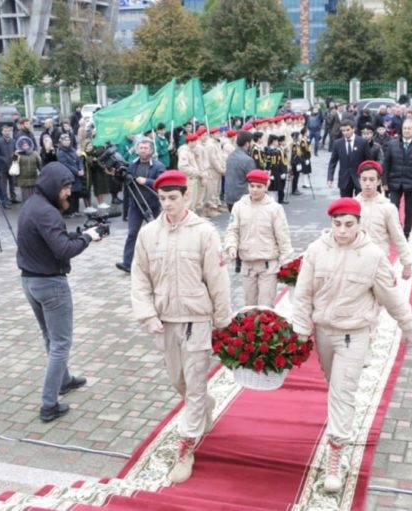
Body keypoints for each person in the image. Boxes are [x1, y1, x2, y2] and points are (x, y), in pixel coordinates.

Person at [291, 197, 412, 493]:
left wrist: (407, 323)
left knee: (342, 392)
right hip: (324, 332)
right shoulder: (316, 250)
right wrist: (300, 329)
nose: (342, 231)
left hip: (354, 334)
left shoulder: (373, 256)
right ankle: (340, 434)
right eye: (337, 224)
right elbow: (303, 293)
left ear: (359, 224)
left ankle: (336, 454)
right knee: (333, 384)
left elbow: (390, 295)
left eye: (349, 225)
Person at [131, 170, 232, 484]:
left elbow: (218, 280)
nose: (166, 204)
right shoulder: (149, 234)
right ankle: (204, 406)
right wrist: (147, 315)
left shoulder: (204, 233)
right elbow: (139, 278)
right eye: (162, 198)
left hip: (196, 321)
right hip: (165, 322)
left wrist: (223, 321)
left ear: (186, 196)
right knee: (179, 381)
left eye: (172, 198)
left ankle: (185, 449)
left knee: (195, 385)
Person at [17, 162, 102, 422]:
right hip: (50, 285)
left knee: (50, 337)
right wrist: (88, 238)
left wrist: (79, 234)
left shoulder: (32, 204)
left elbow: (52, 241)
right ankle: (48, 404)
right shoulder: (48, 212)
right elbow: (64, 250)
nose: (68, 192)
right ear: (53, 185)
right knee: (61, 344)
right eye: (65, 187)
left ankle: (64, 380)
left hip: (30, 281)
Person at [225, 169, 294, 307]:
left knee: (265, 307)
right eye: (252, 186)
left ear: (266, 187)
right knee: (249, 306)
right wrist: (231, 246)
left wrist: (287, 262)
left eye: (259, 186)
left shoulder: (275, 209)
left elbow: (283, 237)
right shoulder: (239, 207)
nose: (255, 190)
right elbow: (232, 230)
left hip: (268, 265)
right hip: (247, 265)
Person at [356, 161, 412, 279]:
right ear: (359, 180)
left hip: (379, 264)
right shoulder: (352, 205)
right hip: (355, 263)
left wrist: (407, 264)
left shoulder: (388, 208)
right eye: (364, 179)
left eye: (372, 179)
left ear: (378, 181)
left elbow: (398, 237)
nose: (367, 183)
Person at [115, 138, 165, 273]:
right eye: (141, 148)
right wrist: (117, 174)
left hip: (152, 206)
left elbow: (162, 183)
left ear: (151, 150)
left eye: (145, 148)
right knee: (132, 234)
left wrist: (147, 181)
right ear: (137, 150)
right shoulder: (131, 165)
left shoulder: (158, 166)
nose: (143, 150)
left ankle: (159, 263)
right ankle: (127, 263)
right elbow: (122, 180)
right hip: (135, 206)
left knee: (156, 235)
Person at [383, 119, 412, 239]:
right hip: (395, 182)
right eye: (404, 128)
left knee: (409, 210)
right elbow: (386, 164)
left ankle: (406, 233)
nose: (406, 131)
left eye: (409, 128)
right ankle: (396, 229)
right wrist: (384, 182)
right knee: (393, 208)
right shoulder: (392, 144)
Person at [328, 120, 370, 197]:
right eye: (343, 131)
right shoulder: (338, 143)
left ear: (353, 129)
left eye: (348, 130)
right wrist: (330, 178)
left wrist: (368, 177)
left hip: (359, 178)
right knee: (345, 203)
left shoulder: (362, 142)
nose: (345, 132)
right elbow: (333, 162)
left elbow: (368, 161)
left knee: (360, 202)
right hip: (344, 179)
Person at [224, 131, 257, 212]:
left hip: (229, 197)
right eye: (252, 142)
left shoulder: (231, 156)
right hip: (242, 199)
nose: (253, 144)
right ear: (247, 144)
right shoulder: (248, 160)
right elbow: (253, 181)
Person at [56, 133, 85, 217]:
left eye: (68, 140)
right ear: (61, 141)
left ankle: (76, 210)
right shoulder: (60, 152)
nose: (67, 141)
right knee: (69, 194)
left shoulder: (73, 149)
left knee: (76, 193)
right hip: (69, 175)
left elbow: (79, 159)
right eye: (65, 140)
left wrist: (81, 168)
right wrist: (77, 172)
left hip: (77, 175)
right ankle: (68, 211)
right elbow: (66, 165)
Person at [0, 124, 18, 205]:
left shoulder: (13, 141)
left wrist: (15, 158)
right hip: (2, 167)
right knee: (3, 184)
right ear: (2, 132)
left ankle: (13, 198)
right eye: (5, 131)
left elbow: (16, 152)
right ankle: (5, 199)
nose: (7, 132)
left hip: (12, 166)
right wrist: (2, 160)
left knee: (12, 183)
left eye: (8, 131)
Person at [14, 136, 42, 203]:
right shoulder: (18, 155)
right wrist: (15, 155)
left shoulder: (35, 154)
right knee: (26, 198)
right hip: (23, 180)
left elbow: (40, 165)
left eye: (26, 145)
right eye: (23, 145)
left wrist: (42, 173)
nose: (25, 146)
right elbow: (14, 164)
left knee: (34, 198)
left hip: (34, 179)